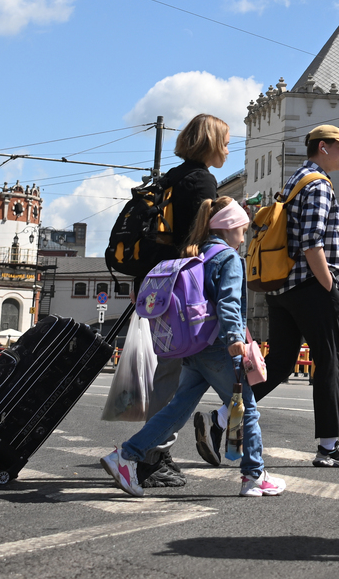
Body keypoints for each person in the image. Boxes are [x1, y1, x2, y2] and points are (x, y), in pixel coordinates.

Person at [104, 198, 280, 497]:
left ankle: (126, 456)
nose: (244, 236)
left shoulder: (194, 254)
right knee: (247, 409)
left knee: (177, 409)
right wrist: (235, 338)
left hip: (192, 346)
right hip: (217, 347)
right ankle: (254, 476)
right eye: (242, 229)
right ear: (228, 227)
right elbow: (228, 303)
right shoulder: (229, 259)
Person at [241, 124, 339, 469]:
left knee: (279, 364)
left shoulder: (293, 182)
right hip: (310, 288)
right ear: (322, 147)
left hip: (280, 288)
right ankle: (328, 447)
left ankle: (224, 415)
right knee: (328, 362)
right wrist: (330, 286)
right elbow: (312, 242)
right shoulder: (319, 186)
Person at [125, 115, 226, 487]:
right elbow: (200, 235)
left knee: (171, 371)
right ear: (210, 143)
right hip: (180, 289)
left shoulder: (169, 177)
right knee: (174, 374)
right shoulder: (201, 180)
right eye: (226, 142)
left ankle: (154, 452)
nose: (229, 150)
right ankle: (150, 456)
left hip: (155, 283)